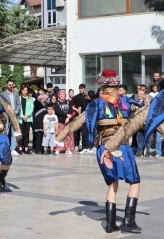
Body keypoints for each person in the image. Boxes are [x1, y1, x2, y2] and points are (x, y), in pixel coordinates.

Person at [56, 69, 142, 234]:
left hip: (105, 146)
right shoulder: (123, 102)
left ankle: (111, 224)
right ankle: (129, 221)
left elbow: (79, 121)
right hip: (120, 147)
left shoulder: (97, 104)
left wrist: (60, 136)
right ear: (116, 85)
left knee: (113, 184)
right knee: (134, 182)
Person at [0, 78, 21, 156]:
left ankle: (12, 149)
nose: (11, 86)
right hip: (6, 116)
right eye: (9, 85)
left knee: (14, 133)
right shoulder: (2, 94)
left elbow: (19, 104)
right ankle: (4, 148)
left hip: (14, 116)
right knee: (6, 132)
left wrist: (16, 111)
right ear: (6, 85)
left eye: (12, 85)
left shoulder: (16, 94)